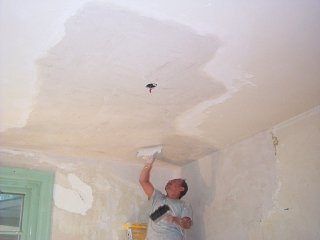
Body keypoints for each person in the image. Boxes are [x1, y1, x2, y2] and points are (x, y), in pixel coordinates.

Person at [139, 155, 193, 240]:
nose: (170, 181)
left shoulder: (184, 204)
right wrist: (148, 163)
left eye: (174, 181)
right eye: (170, 180)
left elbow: (187, 224)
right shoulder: (157, 197)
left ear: (181, 188)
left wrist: (175, 220)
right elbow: (143, 181)